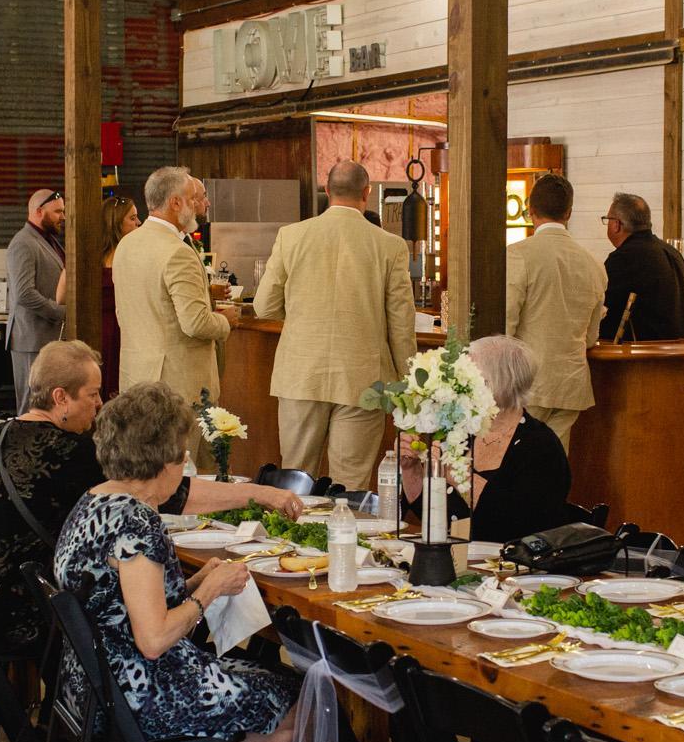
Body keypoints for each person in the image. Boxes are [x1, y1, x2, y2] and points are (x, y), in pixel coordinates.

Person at [54, 382, 299, 742]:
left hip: (87, 686)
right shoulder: (136, 523)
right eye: (182, 457)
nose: (184, 466)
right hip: (137, 692)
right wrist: (208, 594)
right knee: (300, 702)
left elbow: (122, 602)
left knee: (271, 682)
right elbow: (153, 640)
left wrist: (195, 582)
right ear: (163, 462)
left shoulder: (94, 502)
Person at [0, 341, 302, 655]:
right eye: (92, 394)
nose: (99, 403)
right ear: (60, 397)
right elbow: (173, 492)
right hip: (23, 615)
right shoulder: (70, 453)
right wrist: (260, 494)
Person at [253, 161, 415, 490]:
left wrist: (301, 316)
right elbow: (401, 324)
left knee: (296, 477)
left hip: (301, 373)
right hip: (363, 378)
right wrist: (407, 383)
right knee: (350, 482)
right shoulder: (390, 246)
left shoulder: (291, 236)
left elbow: (264, 306)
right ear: (367, 193)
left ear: (326, 191)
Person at [404, 335, 572, 542]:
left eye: (469, 375)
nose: (458, 383)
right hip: (458, 553)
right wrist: (411, 469)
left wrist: (460, 476)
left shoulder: (540, 446)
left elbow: (521, 524)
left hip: (513, 558)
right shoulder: (461, 432)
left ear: (500, 383)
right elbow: (431, 515)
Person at [112, 167, 237, 404]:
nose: (197, 204)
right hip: (176, 383)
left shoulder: (127, 244)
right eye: (192, 198)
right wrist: (225, 320)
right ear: (176, 203)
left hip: (136, 376)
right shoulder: (178, 252)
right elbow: (196, 323)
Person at [505, 173, 606, 454]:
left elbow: (506, 325)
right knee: (555, 465)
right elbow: (591, 338)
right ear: (569, 212)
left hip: (528, 384)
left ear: (530, 210)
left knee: (517, 464)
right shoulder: (594, 264)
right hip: (570, 384)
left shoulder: (518, 255)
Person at [598, 192, 684, 342]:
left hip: (647, 353)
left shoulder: (624, 258)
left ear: (616, 224)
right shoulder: (672, 252)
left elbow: (604, 310)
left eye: (607, 219)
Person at [6, 188, 68, 409]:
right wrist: (61, 312)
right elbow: (24, 293)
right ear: (39, 211)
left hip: (48, 338)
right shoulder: (23, 243)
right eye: (58, 211)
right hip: (31, 339)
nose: (63, 217)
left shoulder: (49, 240)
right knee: (31, 405)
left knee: (48, 405)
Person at [100, 196, 141, 398]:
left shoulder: (89, 255)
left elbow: (61, 296)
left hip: (98, 328)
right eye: (132, 218)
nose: (139, 223)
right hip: (121, 330)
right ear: (115, 223)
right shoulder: (132, 256)